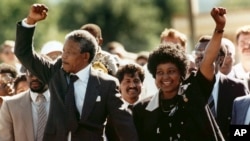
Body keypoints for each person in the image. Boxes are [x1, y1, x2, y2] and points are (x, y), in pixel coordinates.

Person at [14, 3, 138, 141]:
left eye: (70, 52)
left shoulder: (106, 84)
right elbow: (23, 53)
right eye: (63, 51)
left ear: (85, 56)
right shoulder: (54, 72)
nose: (64, 56)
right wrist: (30, 21)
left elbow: (124, 124)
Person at [132, 7, 226, 141]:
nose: (165, 77)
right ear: (154, 75)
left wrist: (219, 28)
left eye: (171, 71)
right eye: (160, 72)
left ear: (181, 73)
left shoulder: (194, 93)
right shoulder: (141, 109)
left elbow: (208, 61)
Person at [194, 35, 248, 140]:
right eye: (197, 54)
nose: (199, 58)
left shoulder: (237, 87)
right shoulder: (187, 88)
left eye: (205, 53)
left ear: (221, 59)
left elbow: (243, 126)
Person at [0, 69, 50, 141]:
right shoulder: (9, 105)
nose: (34, 77)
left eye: (38, 72)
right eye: (21, 91)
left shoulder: (62, 100)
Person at [105, 63, 145, 141]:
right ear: (119, 85)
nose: (132, 85)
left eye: (136, 81)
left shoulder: (150, 109)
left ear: (142, 84)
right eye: (127, 81)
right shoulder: (110, 113)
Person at [229, 25, 250, 90]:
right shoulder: (230, 75)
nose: (246, 46)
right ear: (237, 46)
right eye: (242, 43)